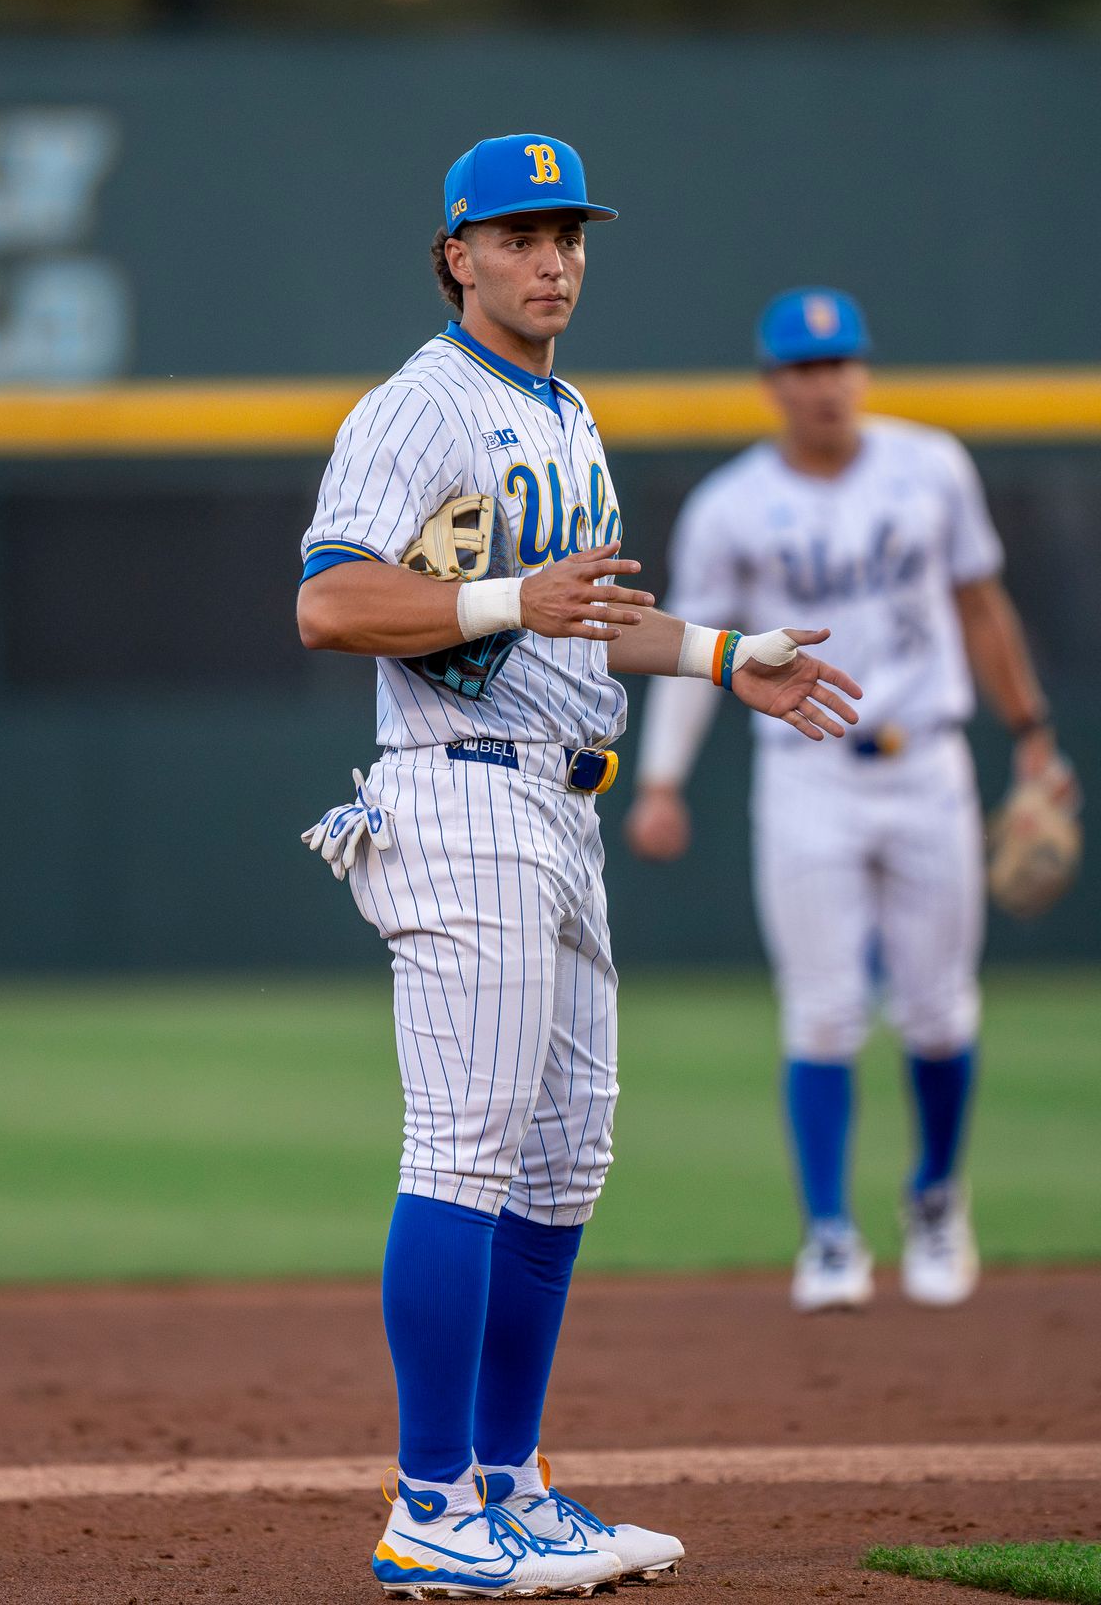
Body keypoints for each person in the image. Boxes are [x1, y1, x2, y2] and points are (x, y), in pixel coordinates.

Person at [296, 142, 862, 1598]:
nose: (553, 260)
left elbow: (585, 620)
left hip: (564, 805)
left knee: (562, 1167)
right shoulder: (417, 406)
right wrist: (502, 594)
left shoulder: (563, 409)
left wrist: (735, 658)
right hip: (460, 793)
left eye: (569, 236)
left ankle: (508, 1483)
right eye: (521, 235)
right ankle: (430, 1509)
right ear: (457, 254)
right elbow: (331, 600)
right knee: (468, 1156)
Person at [625, 287, 1073, 1313]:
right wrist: (660, 781)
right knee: (823, 1013)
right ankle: (828, 1232)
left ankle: (936, 1201)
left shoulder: (932, 468)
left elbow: (980, 605)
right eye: (804, 369)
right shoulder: (730, 507)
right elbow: (698, 653)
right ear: (771, 385)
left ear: (862, 372)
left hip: (930, 764)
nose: (826, 384)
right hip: (806, 774)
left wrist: (1034, 734)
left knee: (938, 1006)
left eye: (841, 364)